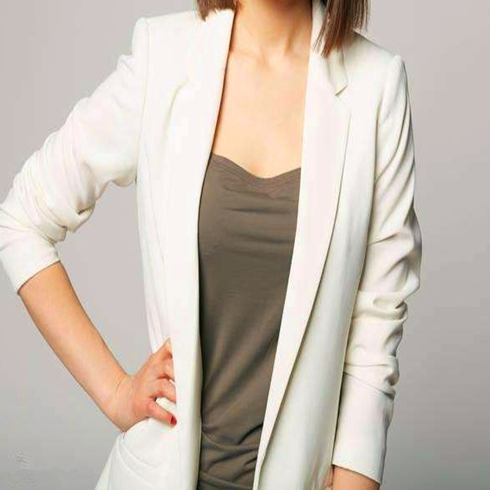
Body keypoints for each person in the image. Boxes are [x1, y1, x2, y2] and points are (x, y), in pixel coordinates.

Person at [0, 0, 422, 489]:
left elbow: (377, 321)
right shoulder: (165, 57)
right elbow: (22, 219)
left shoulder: (376, 87)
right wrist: (115, 392)